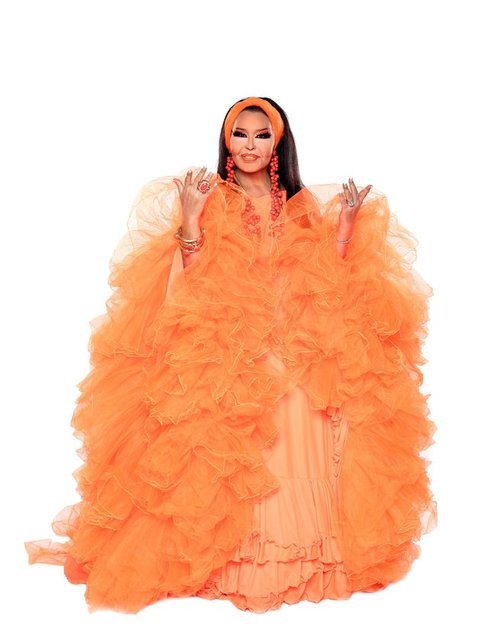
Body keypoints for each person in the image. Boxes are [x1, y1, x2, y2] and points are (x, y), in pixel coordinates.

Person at [24, 96, 438, 614]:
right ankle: (229, 558)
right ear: (226, 141)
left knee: (307, 412)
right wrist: (191, 217)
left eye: (261, 135)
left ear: (277, 144)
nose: (249, 145)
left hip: (294, 337)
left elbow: (323, 277)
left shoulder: (298, 204)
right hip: (232, 346)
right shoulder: (213, 197)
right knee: (238, 435)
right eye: (239, 134)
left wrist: (346, 228)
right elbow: (190, 279)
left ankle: (306, 556)